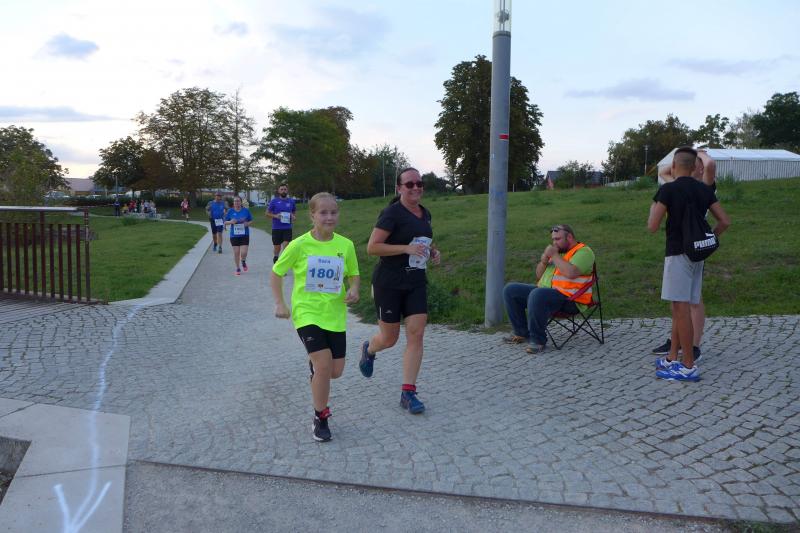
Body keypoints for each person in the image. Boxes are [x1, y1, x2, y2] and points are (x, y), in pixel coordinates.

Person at [271, 192, 360, 442]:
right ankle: (320, 417)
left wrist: (354, 289)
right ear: (312, 215)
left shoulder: (345, 245)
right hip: (307, 313)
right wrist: (280, 303)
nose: (329, 217)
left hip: (335, 314)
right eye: (323, 212)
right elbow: (276, 273)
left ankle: (316, 367)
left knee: (335, 371)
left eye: (333, 212)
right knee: (323, 365)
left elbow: (353, 274)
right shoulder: (299, 245)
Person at [359, 167, 440, 415]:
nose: (416, 187)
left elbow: (421, 242)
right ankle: (369, 350)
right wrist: (405, 249)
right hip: (389, 283)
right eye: (409, 184)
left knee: (417, 334)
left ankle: (408, 392)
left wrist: (432, 251)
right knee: (389, 339)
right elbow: (372, 247)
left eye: (419, 183)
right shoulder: (391, 213)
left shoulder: (425, 213)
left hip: (416, 281)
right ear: (399, 188)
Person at [648, 146, 730, 381]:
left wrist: (655, 204)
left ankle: (688, 365)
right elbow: (725, 221)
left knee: (680, 310)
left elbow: (652, 226)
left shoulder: (668, 189)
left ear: (674, 166)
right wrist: (710, 238)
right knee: (681, 307)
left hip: (677, 253)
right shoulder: (704, 189)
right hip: (697, 255)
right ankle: (672, 357)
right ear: (695, 167)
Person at [502, 224, 596, 355]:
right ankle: (521, 333)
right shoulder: (558, 252)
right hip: (546, 293)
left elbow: (571, 273)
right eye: (553, 239)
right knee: (510, 290)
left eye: (557, 239)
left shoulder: (583, 252)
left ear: (569, 237)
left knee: (538, 294)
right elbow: (538, 275)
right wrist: (544, 262)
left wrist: (554, 256)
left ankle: (538, 340)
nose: (554, 243)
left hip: (571, 300)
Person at [266, 184, 296, 263]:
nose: (283, 191)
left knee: (286, 246)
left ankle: (283, 262)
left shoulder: (291, 201)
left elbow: (293, 211)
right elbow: (267, 213)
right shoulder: (274, 201)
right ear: (279, 191)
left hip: (287, 227)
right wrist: (275, 216)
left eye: (285, 189)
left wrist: (293, 216)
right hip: (276, 228)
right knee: (277, 247)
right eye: (281, 189)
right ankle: (276, 257)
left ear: (287, 190)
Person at [224, 196, 253, 276]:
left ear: (241, 202)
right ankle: (237, 268)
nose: (236, 202)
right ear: (233, 203)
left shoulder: (246, 211)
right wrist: (231, 222)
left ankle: (243, 261)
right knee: (236, 252)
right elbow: (225, 222)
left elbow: (251, 220)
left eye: (238, 201)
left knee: (244, 252)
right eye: (235, 201)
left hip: (244, 235)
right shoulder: (230, 211)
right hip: (234, 235)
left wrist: (247, 224)